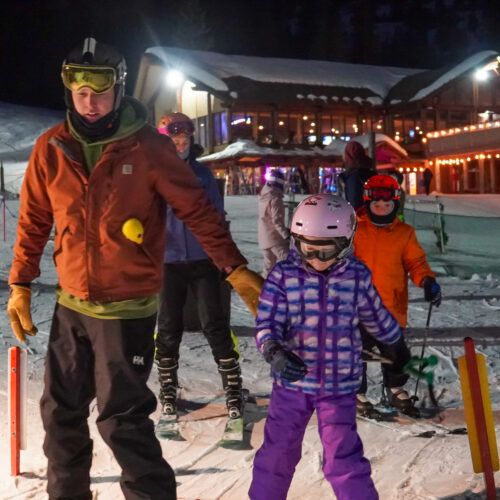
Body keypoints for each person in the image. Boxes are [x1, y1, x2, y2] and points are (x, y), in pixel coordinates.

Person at [6, 37, 263, 500]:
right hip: (71, 304)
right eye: (79, 89)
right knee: (59, 413)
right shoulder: (51, 147)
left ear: (119, 87)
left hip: (126, 307)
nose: (89, 100)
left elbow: (197, 210)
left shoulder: (148, 147)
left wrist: (234, 268)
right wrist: (21, 282)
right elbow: (33, 220)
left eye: (99, 89)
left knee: (121, 420)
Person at [249, 194, 402, 500]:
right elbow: (267, 323)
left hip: (339, 384)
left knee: (342, 457)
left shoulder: (356, 277)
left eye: (325, 250)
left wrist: (395, 340)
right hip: (292, 384)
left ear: (345, 243)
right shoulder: (283, 276)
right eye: (308, 249)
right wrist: (273, 351)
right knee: (278, 451)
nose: (316, 259)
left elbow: (375, 316)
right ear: (297, 242)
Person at [155, 112, 244, 423]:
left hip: (203, 259)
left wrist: (225, 257)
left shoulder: (203, 175)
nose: (180, 145)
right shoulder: (153, 174)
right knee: (168, 326)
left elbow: (216, 218)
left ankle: (233, 387)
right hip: (168, 261)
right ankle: (167, 388)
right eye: (173, 141)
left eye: (184, 140)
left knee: (214, 323)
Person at [353, 175, 442, 418]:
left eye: (386, 206)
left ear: (395, 205)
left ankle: (395, 388)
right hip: (357, 307)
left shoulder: (404, 233)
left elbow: (415, 262)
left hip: (390, 307)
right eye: (376, 205)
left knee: (395, 352)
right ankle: (356, 393)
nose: (381, 209)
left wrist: (426, 280)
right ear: (368, 204)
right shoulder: (355, 230)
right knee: (355, 351)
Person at [258, 169, 290, 277]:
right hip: (274, 239)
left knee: (268, 268)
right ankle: (293, 289)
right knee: (289, 262)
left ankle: (262, 291)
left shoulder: (264, 197)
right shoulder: (275, 199)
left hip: (264, 238)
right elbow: (277, 221)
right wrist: (287, 235)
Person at [338, 140, 377, 211]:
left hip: (358, 219)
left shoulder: (353, 177)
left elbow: (354, 205)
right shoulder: (371, 174)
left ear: (348, 156)